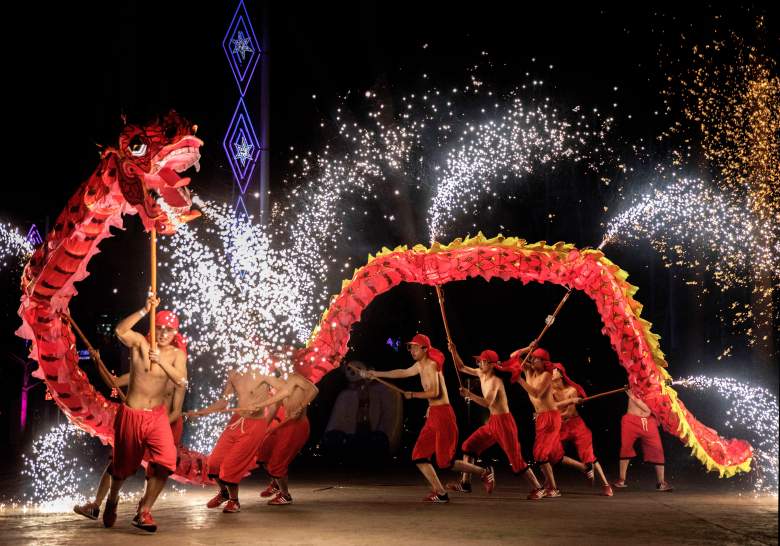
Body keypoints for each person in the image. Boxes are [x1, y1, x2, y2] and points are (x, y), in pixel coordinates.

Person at [361, 334, 496, 503]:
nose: (411, 350)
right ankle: (441, 493)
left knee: (445, 463)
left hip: (443, 415)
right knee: (419, 455)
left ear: (425, 349)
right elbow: (402, 372)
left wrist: (413, 395)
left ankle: (484, 472)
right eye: (410, 347)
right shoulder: (420, 365)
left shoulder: (431, 366)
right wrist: (375, 373)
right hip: (433, 414)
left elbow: (435, 393)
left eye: (415, 347)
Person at [102, 294, 188, 532]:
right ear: (153, 328)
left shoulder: (176, 355)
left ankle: (144, 510)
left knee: (167, 461)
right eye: (159, 328)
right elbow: (120, 331)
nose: (163, 334)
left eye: (169, 330)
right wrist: (144, 309)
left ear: (175, 333)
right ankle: (112, 499)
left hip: (157, 416)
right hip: (132, 414)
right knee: (121, 469)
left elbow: (181, 381)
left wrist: (160, 362)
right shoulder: (140, 343)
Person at [446, 343, 545, 500]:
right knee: (468, 446)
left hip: (505, 424)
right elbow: (461, 367)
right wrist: (454, 351)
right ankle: (465, 484)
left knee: (517, 461)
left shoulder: (495, 381)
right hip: (493, 422)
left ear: (490, 364)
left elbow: (487, 403)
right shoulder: (480, 373)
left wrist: (469, 394)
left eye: (482, 361)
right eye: (479, 361)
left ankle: (539, 488)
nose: (479, 364)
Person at [190, 365, 278, 513]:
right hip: (236, 421)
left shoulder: (262, 373)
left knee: (229, 466)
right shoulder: (233, 374)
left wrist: (262, 407)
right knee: (214, 463)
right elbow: (223, 402)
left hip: (254, 425)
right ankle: (224, 493)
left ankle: (234, 501)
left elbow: (284, 391)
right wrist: (200, 413)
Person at [254, 362, 320, 505]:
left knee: (277, 462)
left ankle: (285, 496)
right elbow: (273, 408)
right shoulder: (276, 386)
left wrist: (302, 405)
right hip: (285, 424)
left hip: (297, 426)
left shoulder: (295, 378)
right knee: (263, 452)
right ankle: (276, 483)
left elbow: (314, 390)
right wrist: (263, 430)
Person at [550, 364, 613, 496]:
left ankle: (606, 485)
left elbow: (568, 412)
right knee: (552, 454)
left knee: (589, 456)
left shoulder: (572, 390)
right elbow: (550, 407)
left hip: (576, 425)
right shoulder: (550, 391)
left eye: (553, 370)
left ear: (561, 374)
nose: (549, 372)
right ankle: (581, 468)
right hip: (560, 426)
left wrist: (547, 413)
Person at [613, 389, 673, 491]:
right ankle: (621, 480)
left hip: (648, 422)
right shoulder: (634, 383)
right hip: (631, 421)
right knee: (625, 448)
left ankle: (661, 483)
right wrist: (633, 396)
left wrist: (633, 398)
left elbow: (648, 410)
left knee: (657, 450)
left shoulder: (656, 387)